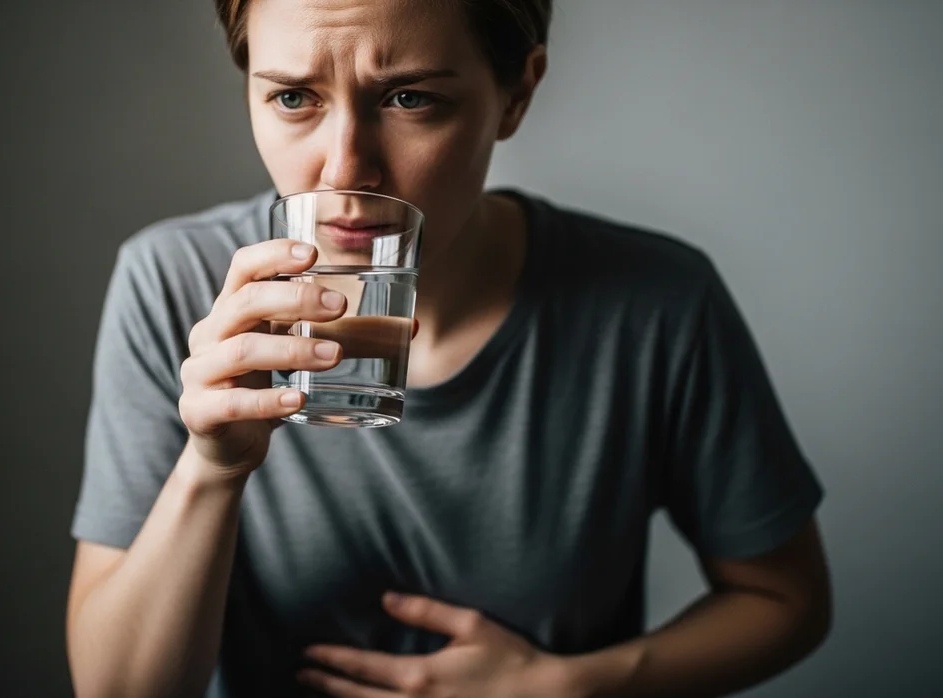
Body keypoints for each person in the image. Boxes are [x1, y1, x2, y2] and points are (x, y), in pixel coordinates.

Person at [65, 1, 833, 696]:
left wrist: (570, 690)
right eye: (293, 97)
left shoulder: (655, 301)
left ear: (516, 94)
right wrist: (211, 469)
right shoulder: (173, 284)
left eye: (409, 98)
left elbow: (786, 600)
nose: (344, 170)